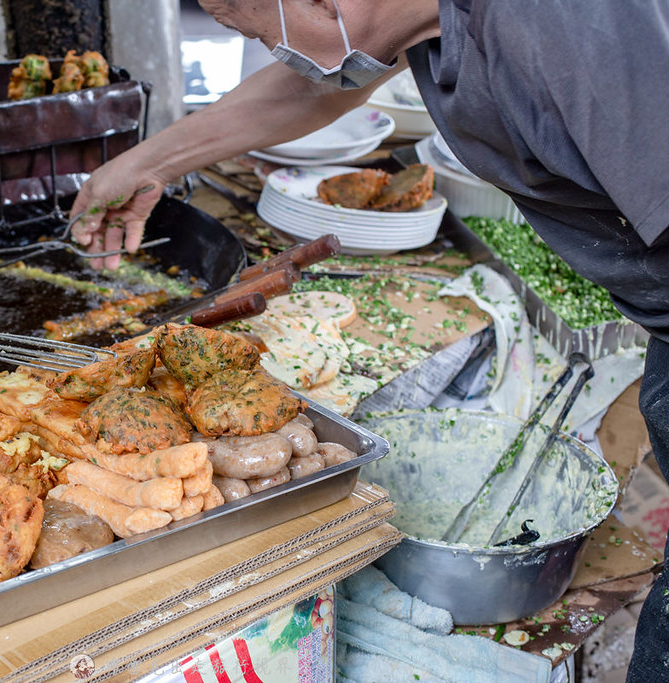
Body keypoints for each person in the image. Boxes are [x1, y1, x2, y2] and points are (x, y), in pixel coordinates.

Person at [69, 0, 669, 679]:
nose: (268, 48)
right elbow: (315, 81)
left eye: (253, 26)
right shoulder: (420, 22)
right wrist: (148, 164)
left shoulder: (558, 25)